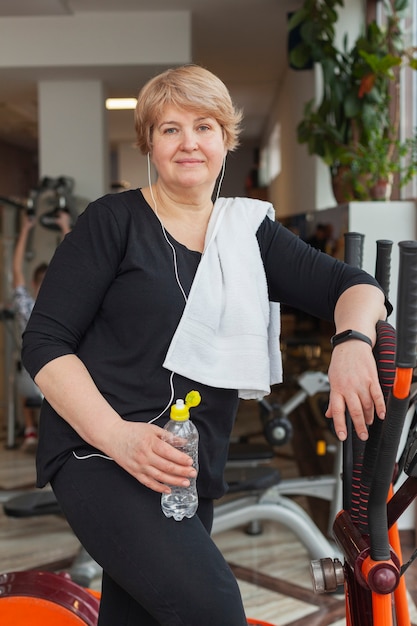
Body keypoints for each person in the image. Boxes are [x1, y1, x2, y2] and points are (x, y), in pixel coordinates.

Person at [22, 65, 389, 626]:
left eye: (203, 126)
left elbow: (356, 288)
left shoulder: (248, 234)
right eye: (170, 129)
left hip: (188, 462)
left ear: (225, 139)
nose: (188, 142)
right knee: (211, 609)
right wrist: (119, 438)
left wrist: (353, 342)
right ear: (150, 143)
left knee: (142, 616)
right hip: (99, 453)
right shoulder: (111, 222)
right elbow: (45, 343)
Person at [13, 210, 72, 449]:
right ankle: (32, 431)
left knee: (24, 368)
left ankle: (30, 430)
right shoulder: (64, 304)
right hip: (49, 379)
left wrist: (26, 229)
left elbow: (74, 265)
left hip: (38, 380)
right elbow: (73, 264)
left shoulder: (28, 304)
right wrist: (65, 227)